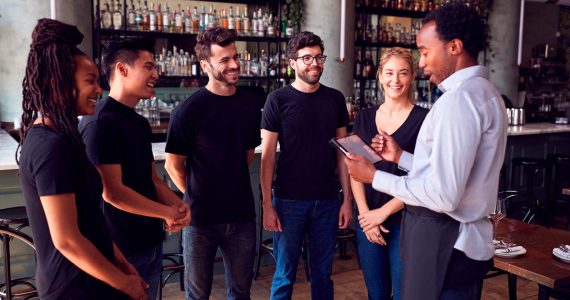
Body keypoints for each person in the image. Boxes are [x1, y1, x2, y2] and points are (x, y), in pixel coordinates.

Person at [345, 3, 508, 300]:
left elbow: (444, 194)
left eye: (425, 51)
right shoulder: (487, 94)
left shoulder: (458, 101)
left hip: (447, 244)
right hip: (464, 243)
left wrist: (374, 177)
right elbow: (452, 169)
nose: (422, 63)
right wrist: (401, 158)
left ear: (454, 47)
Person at [17, 18, 147, 299]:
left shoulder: (65, 138)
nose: (99, 89)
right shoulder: (48, 147)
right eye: (90, 81)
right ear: (59, 82)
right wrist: (123, 283)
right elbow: (67, 240)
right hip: (73, 286)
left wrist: (121, 262)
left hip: (93, 279)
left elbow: (90, 219)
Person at [79, 38, 190, 300]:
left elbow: (151, 179)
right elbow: (112, 192)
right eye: (149, 67)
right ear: (122, 69)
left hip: (148, 240)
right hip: (118, 247)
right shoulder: (101, 122)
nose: (156, 74)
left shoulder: (138, 122)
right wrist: (166, 212)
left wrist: (180, 206)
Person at [164, 27, 261, 300]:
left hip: (242, 215)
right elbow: (173, 166)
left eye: (235, 57)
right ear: (205, 65)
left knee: (241, 293)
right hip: (200, 220)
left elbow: (247, 155)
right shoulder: (188, 110)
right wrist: (199, 195)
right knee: (197, 296)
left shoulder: (249, 105)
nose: (234, 64)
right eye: (224, 60)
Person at [260, 31, 352, 299]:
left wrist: (346, 200)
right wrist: (268, 205)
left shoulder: (335, 99)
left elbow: (342, 153)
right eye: (307, 58)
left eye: (319, 57)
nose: (315, 64)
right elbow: (267, 158)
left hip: (327, 200)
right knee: (284, 275)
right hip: (289, 201)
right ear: (292, 62)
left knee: (323, 275)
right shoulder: (277, 100)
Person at [352, 48, 428, 300]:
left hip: (406, 220)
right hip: (367, 220)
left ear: (413, 76)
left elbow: (423, 178)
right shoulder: (364, 117)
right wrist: (365, 216)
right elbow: (354, 169)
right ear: (380, 76)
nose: (395, 80)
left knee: (405, 293)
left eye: (403, 73)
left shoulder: (424, 120)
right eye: (390, 73)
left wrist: (382, 213)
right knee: (376, 294)